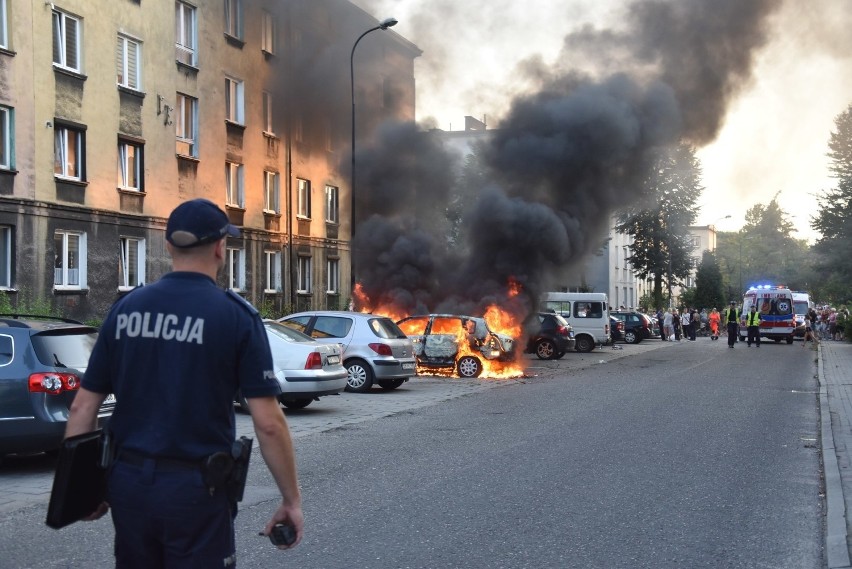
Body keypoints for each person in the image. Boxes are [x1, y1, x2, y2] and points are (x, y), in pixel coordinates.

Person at [65, 199, 304, 568]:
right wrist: (291, 501)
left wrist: (82, 490)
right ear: (221, 247)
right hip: (195, 492)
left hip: (128, 485)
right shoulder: (235, 317)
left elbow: (83, 406)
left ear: (168, 247)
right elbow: (269, 423)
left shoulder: (126, 309)